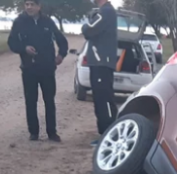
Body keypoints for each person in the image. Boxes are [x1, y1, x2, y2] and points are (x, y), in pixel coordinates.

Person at [8, 0, 68, 142]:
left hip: (47, 68)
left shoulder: (48, 22)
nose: (29, 7)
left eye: (32, 4)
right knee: (30, 101)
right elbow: (12, 43)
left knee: (49, 101)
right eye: (27, 4)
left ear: (39, 6)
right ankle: (33, 132)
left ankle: (52, 133)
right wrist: (24, 48)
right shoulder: (19, 22)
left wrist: (61, 55)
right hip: (29, 69)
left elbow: (62, 41)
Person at [82, 0, 117, 145]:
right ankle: (105, 133)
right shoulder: (103, 12)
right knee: (100, 98)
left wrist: (85, 24)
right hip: (98, 62)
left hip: (101, 62)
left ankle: (108, 134)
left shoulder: (106, 11)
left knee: (104, 99)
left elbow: (89, 30)